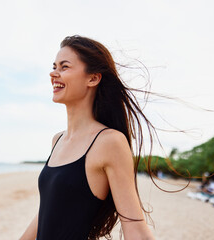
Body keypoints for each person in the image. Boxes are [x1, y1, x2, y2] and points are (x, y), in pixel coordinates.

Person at [19, 35, 155, 240]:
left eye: (64, 67)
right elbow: (47, 213)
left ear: (92, 78)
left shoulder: (109, 142)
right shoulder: (57, 140)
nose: (53, 73)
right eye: (54, 66)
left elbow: (134, 225)